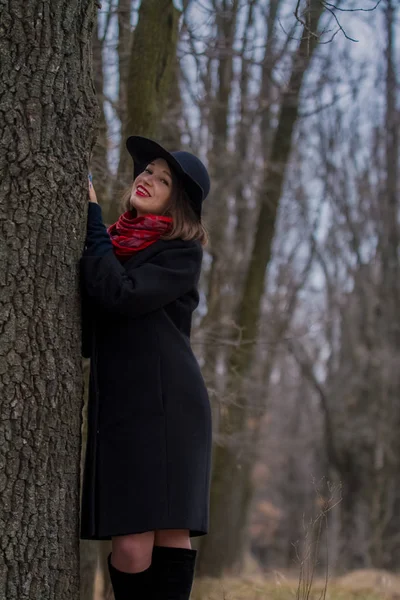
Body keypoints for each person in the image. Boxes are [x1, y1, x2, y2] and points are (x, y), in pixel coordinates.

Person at [79, 136, 212, 600]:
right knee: (132, 549)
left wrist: (92, 220)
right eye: (146, 171)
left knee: (165, 536)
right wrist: (98, 232)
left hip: (171, 408)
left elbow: (119, 295)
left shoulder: (181, 253)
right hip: (122, 410)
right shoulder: (116, 242)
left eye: (163, 179)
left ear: (178, 202)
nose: (147, 179)